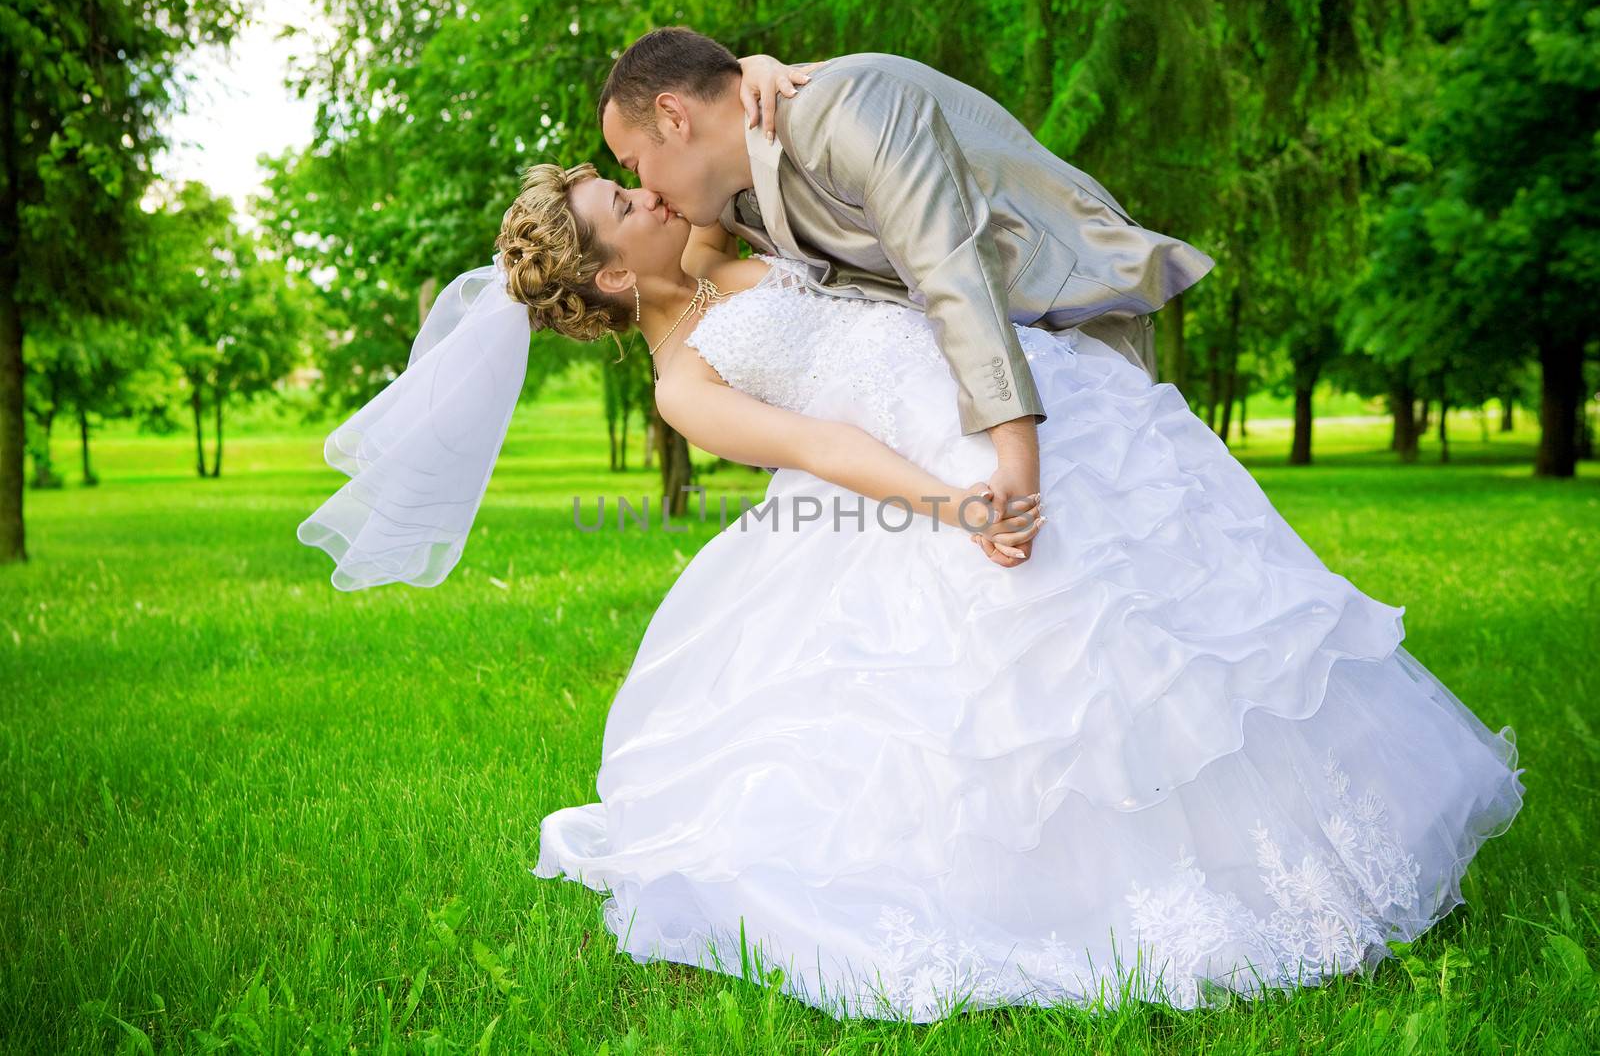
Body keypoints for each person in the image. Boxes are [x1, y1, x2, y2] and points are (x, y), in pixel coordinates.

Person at [473, 160, 1526, 1021]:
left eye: (629, 181)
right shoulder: (685, 384)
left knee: (1178, 619)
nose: (644, 190)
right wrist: (954, 504)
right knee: (1039, 671)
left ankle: (1314, 843)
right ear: (611, 277)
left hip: (1013, 384)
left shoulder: (709, 240)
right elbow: (825, 444)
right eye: (622, 205)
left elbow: (748, 148)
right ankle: (1093, 886)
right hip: (929, 468)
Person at [597, 27, 1218, 566]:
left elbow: (951, 271)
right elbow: (664, 266)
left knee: (1122, 541)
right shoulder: (729, 196)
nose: (642, 187)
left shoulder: (848, 113)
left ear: (675, 118)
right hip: (946, 394)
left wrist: (1016, 462)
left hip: (1058, 304)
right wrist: (747, 69)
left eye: (632, 165)